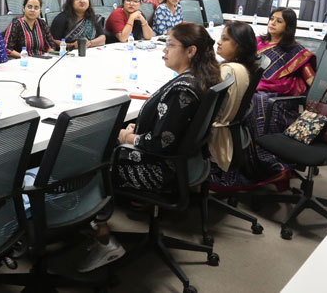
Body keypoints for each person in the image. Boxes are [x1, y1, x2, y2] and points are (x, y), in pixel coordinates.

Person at [78, 23, 221, 272]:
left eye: (171, 45)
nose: (164, 50)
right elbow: (172, 129)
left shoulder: (183, 91)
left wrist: (128, 138)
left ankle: (102, 235)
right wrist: (142, 128)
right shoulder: (199, 78)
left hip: (159, 169)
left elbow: (160, 143)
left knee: (90, 158)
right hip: (186, 163)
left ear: (191, 51)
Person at [247, 7, 315, 143]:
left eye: (279, 21)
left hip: (278, 95)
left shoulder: (295, 51)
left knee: (259, 99)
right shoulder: (257, 42)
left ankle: (264, 144)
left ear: (288, 27)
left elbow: (311, 80)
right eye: (271, 19)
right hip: (253, 85)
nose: (272, 23)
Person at [207, 21, 257, 172]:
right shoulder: (241, 66)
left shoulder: (228, 71)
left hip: (216, 135)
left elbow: (210, 110)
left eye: (225, 39)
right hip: (232, 130)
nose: (218, 42)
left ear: (240, 46)